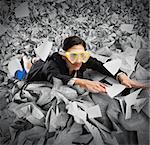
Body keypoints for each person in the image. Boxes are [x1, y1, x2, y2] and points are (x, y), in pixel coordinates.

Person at [26, 36, 145, 93]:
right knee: (25, 72)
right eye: (73, 56)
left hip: (55, 64)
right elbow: (55, 76)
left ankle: (35, 60)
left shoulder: (82, 59)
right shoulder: (52, 65)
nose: (78, 61)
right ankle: (30, 62)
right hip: (38, 71)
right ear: (64, 56)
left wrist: (120, 75)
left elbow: (100, 65)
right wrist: (83, 82)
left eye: (82, 55)